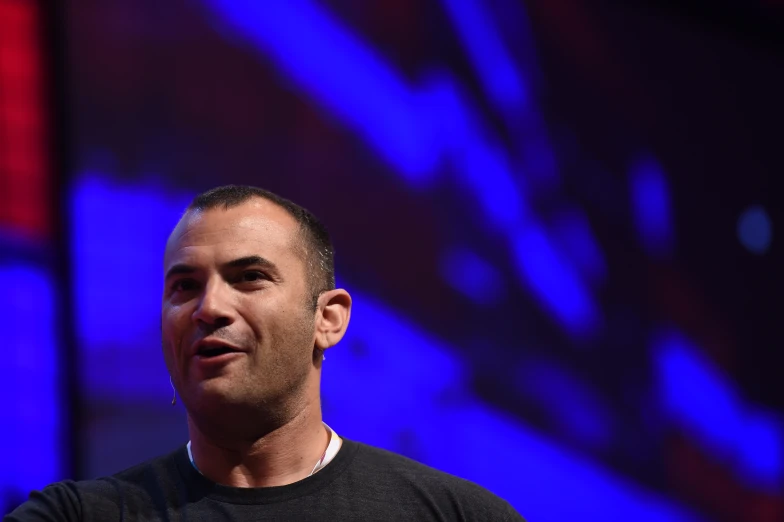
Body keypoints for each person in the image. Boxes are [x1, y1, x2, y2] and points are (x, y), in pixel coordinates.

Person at [6, 185, 525, 521]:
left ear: (328, 319)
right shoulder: (77, 518)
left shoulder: (457, 516)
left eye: (249, 278)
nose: (208, 308)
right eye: (184, 287)